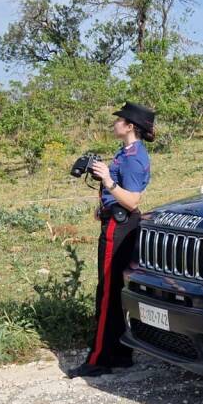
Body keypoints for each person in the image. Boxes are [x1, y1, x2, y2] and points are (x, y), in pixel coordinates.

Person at [69, 101, 155, 378]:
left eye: (119, 120)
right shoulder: (126, 152)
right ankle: (119, 354)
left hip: (119, 227)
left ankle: (98, 358)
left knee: (107, 291)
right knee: (114, 289)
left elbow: (132, 200)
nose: (114, 123)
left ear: (130, 126)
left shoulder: (134, 157)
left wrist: (108, 181)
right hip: (116, 221)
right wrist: (104, 202)